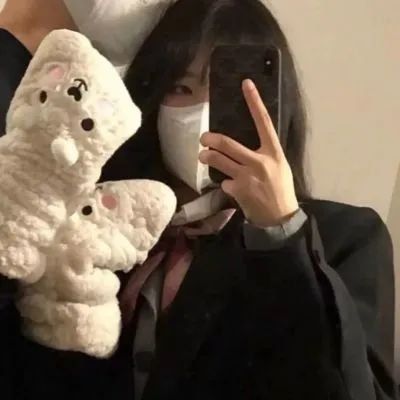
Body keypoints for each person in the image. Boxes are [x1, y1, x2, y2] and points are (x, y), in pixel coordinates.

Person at [0, 0, 397, 399]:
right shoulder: (106, 224)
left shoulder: (345, 238)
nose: (202, 112)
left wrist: (281, 232)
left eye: (231, 91)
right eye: (181, 87)